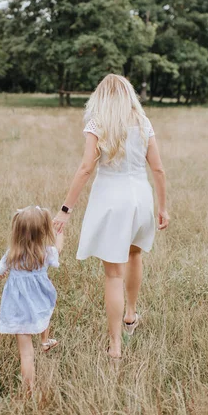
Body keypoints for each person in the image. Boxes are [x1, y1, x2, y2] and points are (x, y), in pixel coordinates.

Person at [53, 74, 169, 360]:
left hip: (112, 201)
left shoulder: (98, 124)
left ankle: (115, 345)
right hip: (141, 200)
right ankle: (130, 315)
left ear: (101, 97)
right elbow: (158, 170)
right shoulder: (143, 122)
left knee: (113, 274)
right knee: (135, 256)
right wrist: (162, 207)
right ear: (130, 94)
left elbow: (85, 169)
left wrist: (65, 210)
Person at [0, 205, 63, 391]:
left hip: (18, 308)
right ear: (43, 231)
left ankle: (29, 389)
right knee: (44, 315)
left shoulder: (11, 254)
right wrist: (59, 234)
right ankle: (44, 341)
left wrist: (5, 272)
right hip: (40, 301)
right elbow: (58, 250)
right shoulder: (46, 252)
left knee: (26, 354)